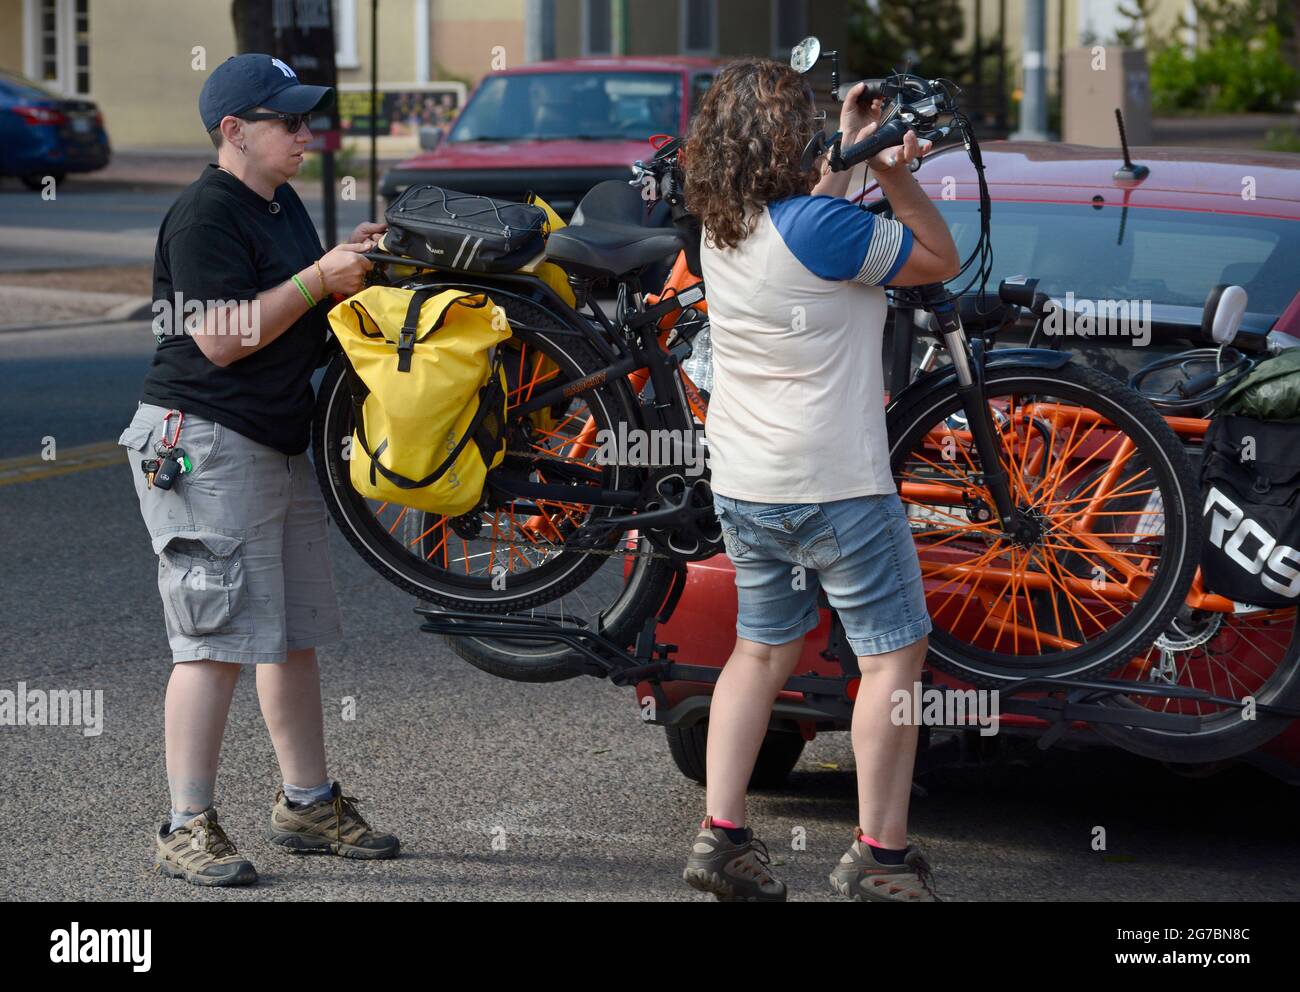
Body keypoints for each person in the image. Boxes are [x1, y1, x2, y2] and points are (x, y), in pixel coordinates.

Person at [679, 58, 961, 902]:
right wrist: (889, 170)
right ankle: (881, 857)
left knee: (760, 650)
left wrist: (846, 144)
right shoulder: (820, 231)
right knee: (892, 662)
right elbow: (940, 255)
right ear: (778, 142)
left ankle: (721, 838)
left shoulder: (721, 226)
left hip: (746, 478)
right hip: (835, 483)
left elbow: (810, 221)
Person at [116, 53, 399, 886]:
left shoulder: (278, 207)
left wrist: (350, 272)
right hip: (203, 441)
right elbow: (219, 336)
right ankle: (184, 823)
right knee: (211, 643)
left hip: (272, 439)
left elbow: (299, 320)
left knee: (292, 635)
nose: (308, 136)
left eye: (308, 120)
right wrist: (319, 278)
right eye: (290, 122)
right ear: (234, 132)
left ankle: (308, 803)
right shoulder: (206, 213)